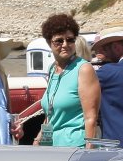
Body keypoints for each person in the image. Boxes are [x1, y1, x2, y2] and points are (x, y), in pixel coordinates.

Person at [35, 14, 100, 147]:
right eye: (59, 41)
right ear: (49, 43)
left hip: (76, 148)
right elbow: (51, 115)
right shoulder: (52, 69)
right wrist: (39, 140)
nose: (65, 45)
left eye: (70, 40)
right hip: (52, 148)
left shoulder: (83, 69)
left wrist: (89, 152)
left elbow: (91, 118)